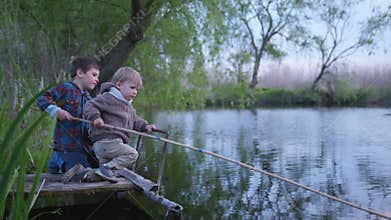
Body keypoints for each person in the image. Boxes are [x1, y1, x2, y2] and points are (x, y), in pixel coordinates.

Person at [85, 67, 156, 182]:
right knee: (132, 154)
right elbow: (90, 105)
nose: (135, 92)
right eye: (132, 88)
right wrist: (95, 118)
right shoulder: (108, 98)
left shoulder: (128, 106)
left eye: (137, 89)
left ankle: (83, 174)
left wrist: (145, 126)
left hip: (110, 146)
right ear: (119, 85)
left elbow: (135, 121)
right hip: (106, 142)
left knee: (106, 175)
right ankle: (106, 167)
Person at [37, 56, 100, 176]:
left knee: (100, 167)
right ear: (80, 73)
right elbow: (42, 98)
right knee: (82, 175)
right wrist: (56, 111)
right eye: (94, 75)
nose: (97, 79)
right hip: (67, 148)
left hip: (83, 148)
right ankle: (59, 160)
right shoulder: (66, 88)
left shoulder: (88, 99)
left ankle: (60, 163)